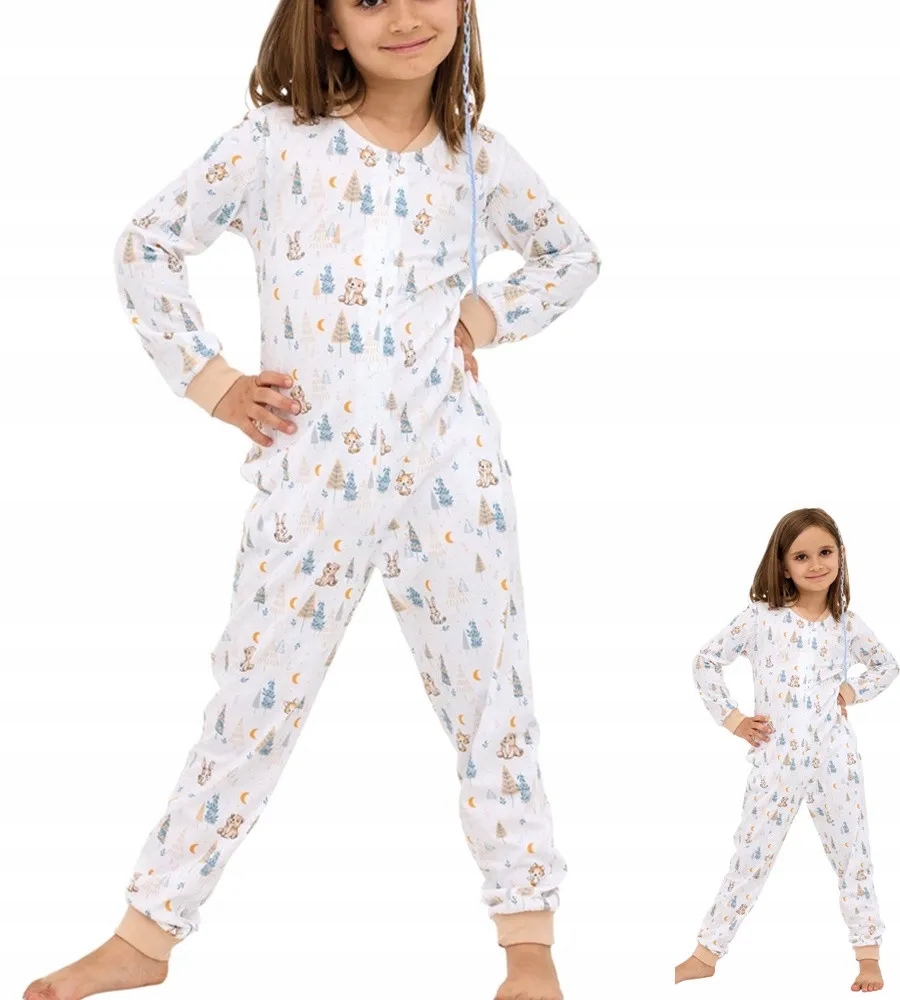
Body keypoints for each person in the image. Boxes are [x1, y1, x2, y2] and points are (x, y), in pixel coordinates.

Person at [24, 1, 600, 998]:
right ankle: (146, 937)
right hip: (311, 484)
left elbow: (573, 255)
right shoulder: (276, 144)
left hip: (452, 479)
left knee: (494, 703)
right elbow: (148, 242)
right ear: (329, 25)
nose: (404, 15)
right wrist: (212, 382)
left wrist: (487, 313)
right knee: (252, 701)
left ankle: (529, 945)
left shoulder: (479, 159)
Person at [675, 508, 897, 993]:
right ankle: (706, 953)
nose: (816, 564)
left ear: (841, 555)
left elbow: (886, 665)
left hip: (836, 760)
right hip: (777, 761)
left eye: (825, 552)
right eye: (802, 556)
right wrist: (733, 719)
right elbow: (707, 660)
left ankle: (868, 956)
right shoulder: (762, 618)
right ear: (783, 565)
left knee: (853, 855)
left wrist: (852, 690)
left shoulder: (846, 624)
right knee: (751, 854)